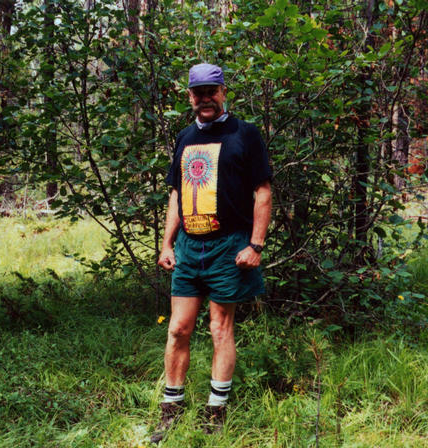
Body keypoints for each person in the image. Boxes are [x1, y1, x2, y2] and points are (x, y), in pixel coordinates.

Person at [151, 63, 272, 442]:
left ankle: (215, 411)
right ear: (190, 96)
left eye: (211, 91)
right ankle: (171, 410)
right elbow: (176, 194)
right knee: (178, 328)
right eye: (197, 93)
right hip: (189, 246)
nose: (205, 99)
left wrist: (255, 244)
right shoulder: (185, 137)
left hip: (227, 247)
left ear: (223, 91)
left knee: (220, 328)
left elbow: (263, 192)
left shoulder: (245, 134)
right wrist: (167, 243)